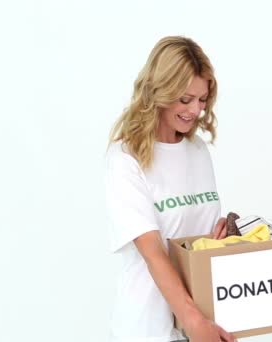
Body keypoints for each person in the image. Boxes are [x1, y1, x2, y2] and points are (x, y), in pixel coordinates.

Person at [105, 36, 233, 342]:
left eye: (202, 100)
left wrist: (218, 243)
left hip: (201, 322)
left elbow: (195, 244)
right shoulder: (126, 157)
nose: (196, 111)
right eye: (185, 99)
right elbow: (154, 254)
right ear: (158, 92)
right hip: (148, 328)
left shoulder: (197, 149)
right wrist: (193, 322)